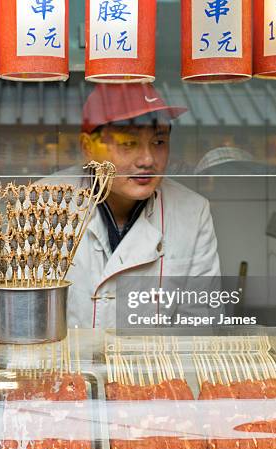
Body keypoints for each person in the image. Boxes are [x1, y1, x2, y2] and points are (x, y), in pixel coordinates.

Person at [43, 84, 221, 329]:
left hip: (155, 367)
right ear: (88, 148)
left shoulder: (192, 212)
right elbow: (27, 320)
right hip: (63, 366)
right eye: (128, 143)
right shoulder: (43, 202)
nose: (147, 160)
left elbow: (200, 324)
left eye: (159, 142)